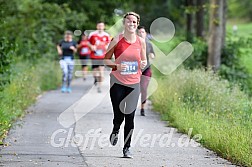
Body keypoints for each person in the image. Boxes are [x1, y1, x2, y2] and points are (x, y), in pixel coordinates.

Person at [104, 12, 147, 158]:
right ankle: (116, 129)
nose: (132, 24)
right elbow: (106, 60)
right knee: (119, 115)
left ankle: (127, 148)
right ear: (124, 23)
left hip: (134, 83)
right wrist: (116, 66)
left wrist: (142, 63)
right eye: (129, 21)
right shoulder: (116, 39)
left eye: (134, 22)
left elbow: (144, 61)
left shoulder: (141, 41)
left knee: (130, 116)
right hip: (117, 82)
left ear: (137, 23)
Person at [137, 26, 155, 116]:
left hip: (146, 69)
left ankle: (142, 108)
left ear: (145, 34)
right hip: (136, 69)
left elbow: (153, 54)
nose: (141, 34)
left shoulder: (148, 44)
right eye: (139, 32)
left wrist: (152, 55)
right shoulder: (134, 44)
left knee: (144, 88)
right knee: (136, 89)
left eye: (143, 32)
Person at [88, 21, 110, 93]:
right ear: (97, 27)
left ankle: (99, 86)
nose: (100, 27)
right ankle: (95, 79)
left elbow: (109, 44)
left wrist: (107, 47)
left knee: (101, 71)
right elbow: (88, 43)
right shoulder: (92, 34)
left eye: (102, 26)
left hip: (102, 56)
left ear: (104, 27)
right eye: (99, 26)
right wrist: (91, 46)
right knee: (95, 71)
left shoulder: (106, 35)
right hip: (94, 56)